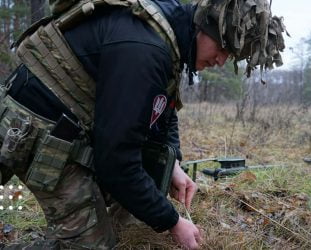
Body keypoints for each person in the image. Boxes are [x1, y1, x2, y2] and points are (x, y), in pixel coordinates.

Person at [0, 0, 286, 249]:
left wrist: (173, 163)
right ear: (203, 26)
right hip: (33, 127)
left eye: (232, 56)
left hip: (68, 126)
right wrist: (172, 222)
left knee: (146, 181)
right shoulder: (144, 51)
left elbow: (163, 109)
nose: (221, 60)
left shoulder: (169, 34)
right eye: (223, 47)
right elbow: (116, 163)